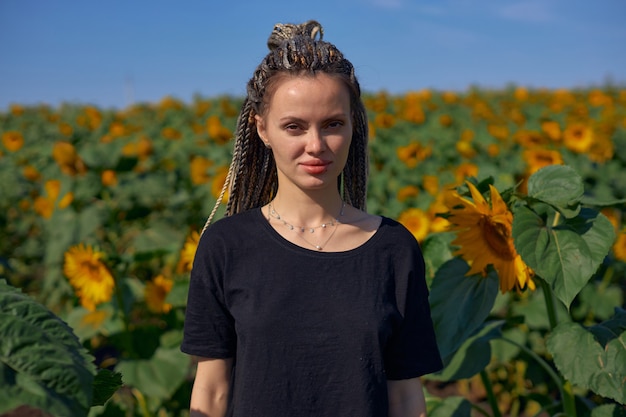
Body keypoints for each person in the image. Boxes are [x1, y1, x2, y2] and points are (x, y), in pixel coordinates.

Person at [181, 20, 443, 417]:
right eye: (294, 127)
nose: (316, 145)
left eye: (333, 124)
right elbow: (211, 393)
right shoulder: (226, 247)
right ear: (262, 129)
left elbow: (406, 398)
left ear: (354, 126)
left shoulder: (393, 249)